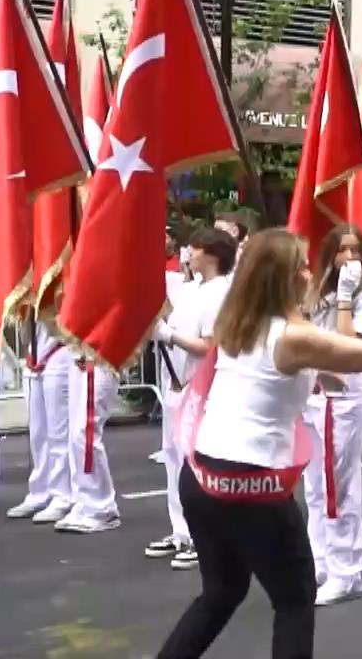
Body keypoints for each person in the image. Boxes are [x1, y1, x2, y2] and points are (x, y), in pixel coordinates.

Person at [156, 229, 362, 659]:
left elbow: (288, 373)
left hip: (200, 477)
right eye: (303, 266)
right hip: (248, 482)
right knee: (294, 600)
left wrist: (322, 373)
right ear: (285, 278)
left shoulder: (238, 325)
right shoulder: (291, 336)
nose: (311, 272)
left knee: (221, 593)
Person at [299, 225, 362, 602]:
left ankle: (346, 569)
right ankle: (319, 559)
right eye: (342, 251)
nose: (349, 259)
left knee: (339, 484)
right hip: (312, 392)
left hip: (344, 392)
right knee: (315, 484)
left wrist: (347, 299)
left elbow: (351, 347)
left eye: (356, 251)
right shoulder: (321, 291)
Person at [145, 227, 235, 571]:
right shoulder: (191, 288)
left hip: (202, 388)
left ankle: (207, 536)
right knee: (174, 460)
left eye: (195, 248)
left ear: (211, 253)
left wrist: (168, 335)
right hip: (177, 385)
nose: (188, 253)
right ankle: (181, 530)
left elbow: (210, 346)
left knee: (199, 464)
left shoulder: (221, 292)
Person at [54, 295, 122, 535]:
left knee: (87, 432)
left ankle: (102, 507)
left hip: (102, 359)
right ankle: (84, 501)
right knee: (76, 434)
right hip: (81, 356)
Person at [7, 301, 73, 524]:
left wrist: (43, 305)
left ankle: (63, 495)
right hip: (35, 356)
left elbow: (66, 324)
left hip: (60, 352)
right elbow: (25, 337)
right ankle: (39, 491)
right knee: (37, 434)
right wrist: (28, 309)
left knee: (58, 432)